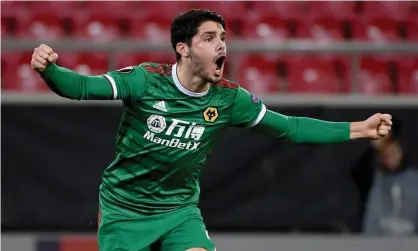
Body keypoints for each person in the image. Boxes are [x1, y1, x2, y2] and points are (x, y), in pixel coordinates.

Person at [31, 9, 392, 251]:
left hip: (179, 211)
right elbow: (79, 87)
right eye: (209, 38)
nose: (221, 44)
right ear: (183, 49)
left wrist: (359, 129)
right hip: (125, 210)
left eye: (223, 37)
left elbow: (291, 128)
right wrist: (49, 70)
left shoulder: (229, 99)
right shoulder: (145, 81)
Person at [360, 118, 418, 235]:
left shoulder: (414, 180)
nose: (389, 155)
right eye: (384, 152)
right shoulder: (373, 179)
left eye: (393, 149)